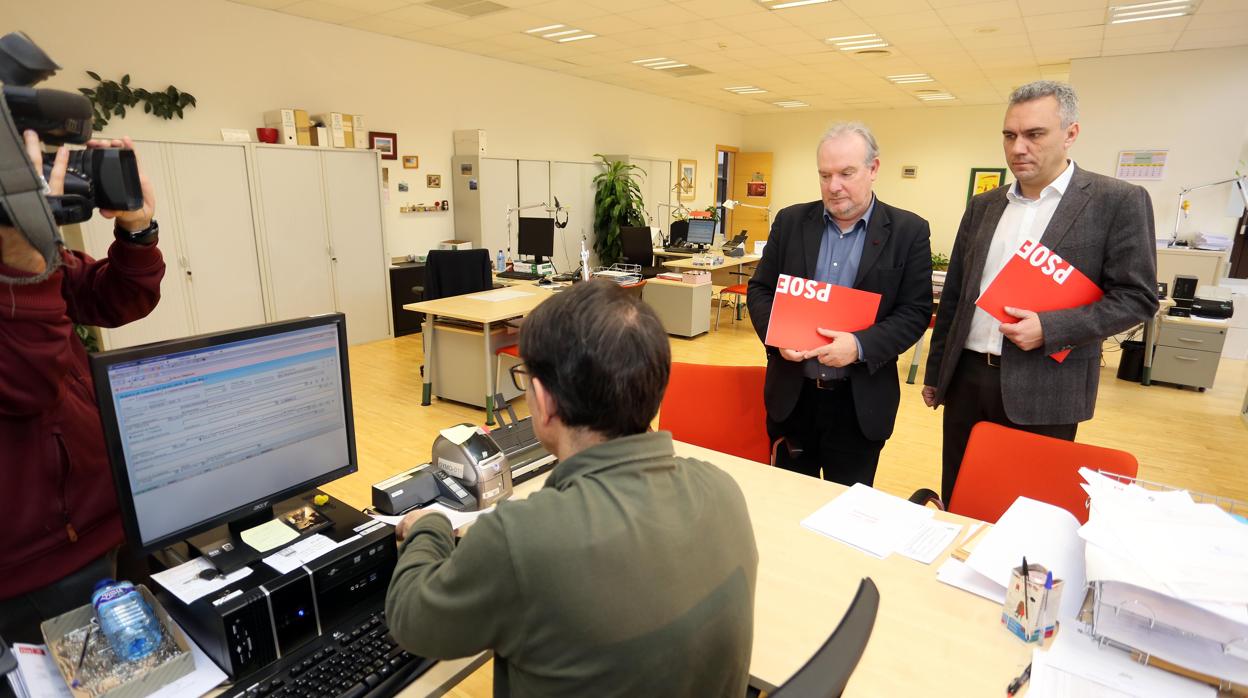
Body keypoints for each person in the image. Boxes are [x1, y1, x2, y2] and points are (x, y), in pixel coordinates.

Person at [385, 280, 758, 698]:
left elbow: (411, 622)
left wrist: (429, 525)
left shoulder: (521, 539)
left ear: (542, 400)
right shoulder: (723, 488)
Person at [922, 81, 1158, 504]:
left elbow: (1137, 297)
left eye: (1034, 135)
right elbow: (957, 293)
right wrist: (937, 373)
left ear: (1071, 134)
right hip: (968, 380)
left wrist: (1050, 328)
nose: (1018, 148)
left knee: (1026, 507)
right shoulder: (984, 205)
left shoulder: (1116, 201)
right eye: (1010, 136)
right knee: (959, 497)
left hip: (1047, 384)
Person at [0, 132, 163, 643]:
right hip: (36, 565)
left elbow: (117, 299)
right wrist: (22, 258)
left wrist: (138, 231)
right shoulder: (17, 251)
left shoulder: (28, 249)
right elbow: (28, 385)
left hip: (108, 512)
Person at [746, 122, 933, 486]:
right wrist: (778, 335)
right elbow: (760, 290)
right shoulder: (790, 221)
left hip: (858, 405)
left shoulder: (909, 231)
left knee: (846, 514)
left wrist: (860, 345)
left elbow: (914, 313)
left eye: (846, 173)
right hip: (792, 400)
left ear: (873, 169)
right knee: (786, 503)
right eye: (825, 175)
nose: (834, 186)